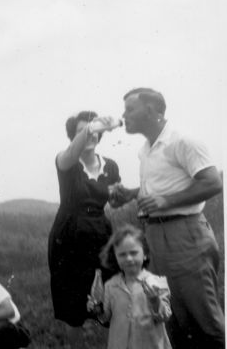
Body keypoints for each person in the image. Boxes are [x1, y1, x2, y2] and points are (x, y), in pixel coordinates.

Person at [110, 88, 224, 349]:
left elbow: (212, 183)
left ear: (151, 110)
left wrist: (166, 202)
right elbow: (162, 188)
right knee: (171, 318)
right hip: (157, 239)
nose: (123, 115)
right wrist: (130, 194)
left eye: (130, 109)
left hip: (185, 236)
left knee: (205, 321)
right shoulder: (146, 149)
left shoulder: (182, 140)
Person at [48, 111, 121, 348]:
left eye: (93, 130)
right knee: (73, 306)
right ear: (73, 137)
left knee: (112, 295)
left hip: (101, 234)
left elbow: (115, 199)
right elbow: (71, 153)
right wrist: (92, 126)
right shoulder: (66, 160)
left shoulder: (110, 165)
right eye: (81, 131)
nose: (90, 134)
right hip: (69, 236)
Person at [87, 224, 172, 349]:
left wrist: (155, 301)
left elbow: (164, 316)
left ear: (145, 254)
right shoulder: (111, 286)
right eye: (122, 254)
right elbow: (106, 318)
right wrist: (97, 310)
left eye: (134, 253)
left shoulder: (157, 283)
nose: (128, 258)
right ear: (115, 258)